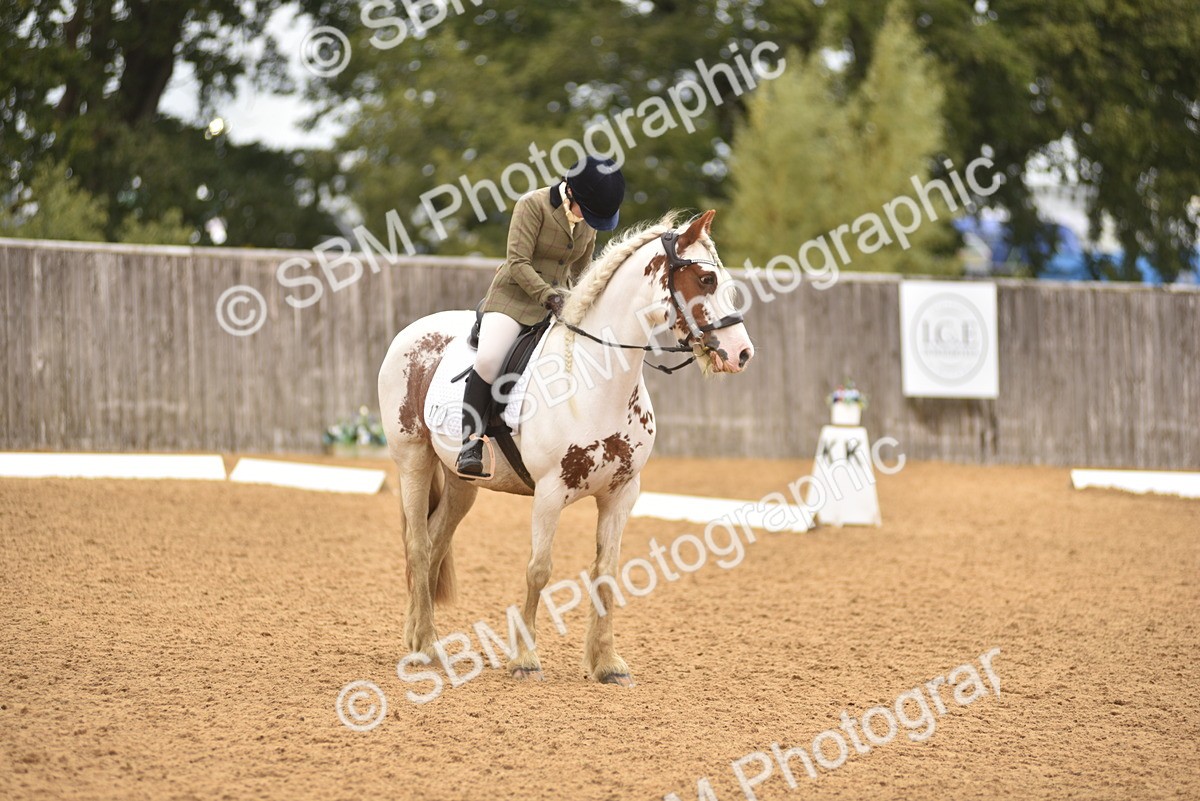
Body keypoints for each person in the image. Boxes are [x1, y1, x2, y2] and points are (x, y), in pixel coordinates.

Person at [456, 155, 626, 476]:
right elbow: (517, 262)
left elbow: (582, 270)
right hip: (514, 298)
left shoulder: (588, 220)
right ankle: (470, 443)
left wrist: (589, 300)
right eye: (587, 212)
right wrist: (549, 296)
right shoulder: (532, 205)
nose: (590, 220)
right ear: (571, 192)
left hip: (560, 303)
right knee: (489, 359)